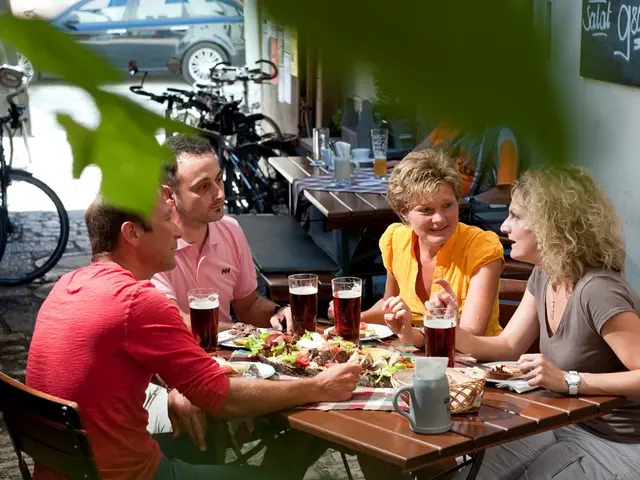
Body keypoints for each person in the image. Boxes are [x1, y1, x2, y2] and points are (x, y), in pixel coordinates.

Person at [26, 194, 362, 480]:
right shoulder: (137, 301)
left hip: (71, 467)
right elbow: (221, 398)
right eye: (166, 219)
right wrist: (320, 386)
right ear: (132, 234)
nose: (177, 231)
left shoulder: (66, 286)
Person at [434, 165, 640, 479]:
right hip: (561, 422)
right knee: (470, 474)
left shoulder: (597, 290)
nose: (504, 226)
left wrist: (570, 380)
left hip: (616, 443)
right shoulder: (546, 273)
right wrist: (451, 327)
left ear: (550, 225)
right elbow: (508, 346)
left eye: (516, 216)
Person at [331, 149, 504, 348]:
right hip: (417, 358)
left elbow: (471, 334)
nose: (439, 218)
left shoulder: (482, 247)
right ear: (404, 213)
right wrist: (353, 319)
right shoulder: (396, 239)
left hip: (475, 367)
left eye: (447, 205)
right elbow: (389, 303)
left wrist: (414, 335)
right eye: (426, 210)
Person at [150, 133, 293, 333]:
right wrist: (245, 333)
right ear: (169, 195)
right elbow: (175, 322)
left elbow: (248, 304)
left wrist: (277, 313)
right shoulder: (152, 242)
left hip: (228, 357)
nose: (220, 194)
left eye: (219, 180)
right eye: (204, 186)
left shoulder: (231, 230)